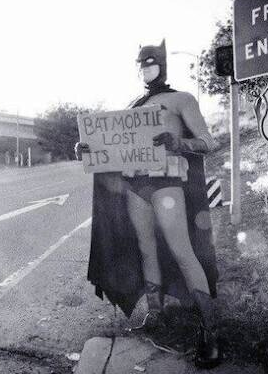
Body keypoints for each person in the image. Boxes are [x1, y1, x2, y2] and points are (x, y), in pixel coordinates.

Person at [75, 39, 222, 368]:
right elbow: (113, 147)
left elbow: (208, 141)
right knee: (145, 249)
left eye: (150, 62)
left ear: (162, 64)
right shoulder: (132, 106)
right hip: (134, 184)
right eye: (141, 63)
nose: (145, 68)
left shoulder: (182, 99)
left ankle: (210, 331)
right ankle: (155, 314)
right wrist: (88, 149)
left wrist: (178, 142)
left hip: (167, 183)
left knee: (182, 251)